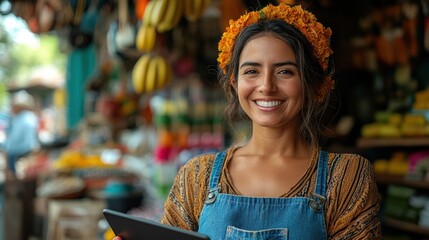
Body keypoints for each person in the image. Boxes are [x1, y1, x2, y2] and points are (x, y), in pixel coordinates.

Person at [114, 3, 381, 239]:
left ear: (312, 84)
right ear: (234, 82)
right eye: (251, 71)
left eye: (285, 71)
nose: (266, 86)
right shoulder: (196, 177)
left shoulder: (347, 178)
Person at [3, 90, 39, 179]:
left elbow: (24, 142)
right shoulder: (21, 118)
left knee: (18, 181)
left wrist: (8, 149)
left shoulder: (25, 119)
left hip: (20, 154)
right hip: (18, 153)